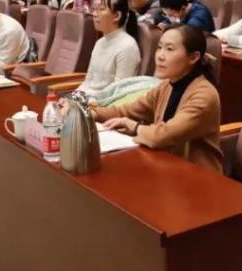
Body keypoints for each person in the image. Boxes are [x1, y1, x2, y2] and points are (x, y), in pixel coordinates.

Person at [93, 25, 223, 174]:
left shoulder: (204, 95)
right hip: (164, 165)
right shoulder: (166, 86)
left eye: (169, 49)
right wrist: (92, 113)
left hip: (197, 176)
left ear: (193, 57)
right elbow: (127, 110)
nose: (160, 56)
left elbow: (163, 136)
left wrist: (133, 126)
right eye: (159, 47)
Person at [77, 0, 142, 93]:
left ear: (117, 16)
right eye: (94, 9)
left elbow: (119, 91)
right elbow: (88, 80)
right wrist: (73, 97)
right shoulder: (99, 42)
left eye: (101, 9)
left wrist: (89, 100)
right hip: (87, 97)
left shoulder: (128, 47)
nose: (94, 14)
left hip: (104, 101)